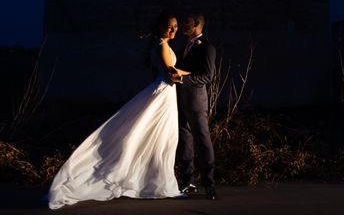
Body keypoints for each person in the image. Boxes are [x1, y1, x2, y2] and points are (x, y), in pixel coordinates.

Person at [47, 12, 190, 210]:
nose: (173, 29)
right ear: (161, 27)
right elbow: (172, 74)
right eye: (169, 26)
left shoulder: (160, 44)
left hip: (163, 94)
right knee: (161, 139)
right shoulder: (163, 46)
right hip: (163, 95)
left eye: (175, 26)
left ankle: (155, 182)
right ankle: (159, 184)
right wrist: (191, 73)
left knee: (160, 139)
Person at [171, 11, 217, 200]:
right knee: (185, 141)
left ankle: (209, 184)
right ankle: (188, 181)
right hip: (181, 101)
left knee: (203, 142)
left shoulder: (207, 48)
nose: (183, 24)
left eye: (187, 22)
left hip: (197, 103)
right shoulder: (184, 45)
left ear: (197, 24)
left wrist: (182, 79)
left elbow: (207, 77)